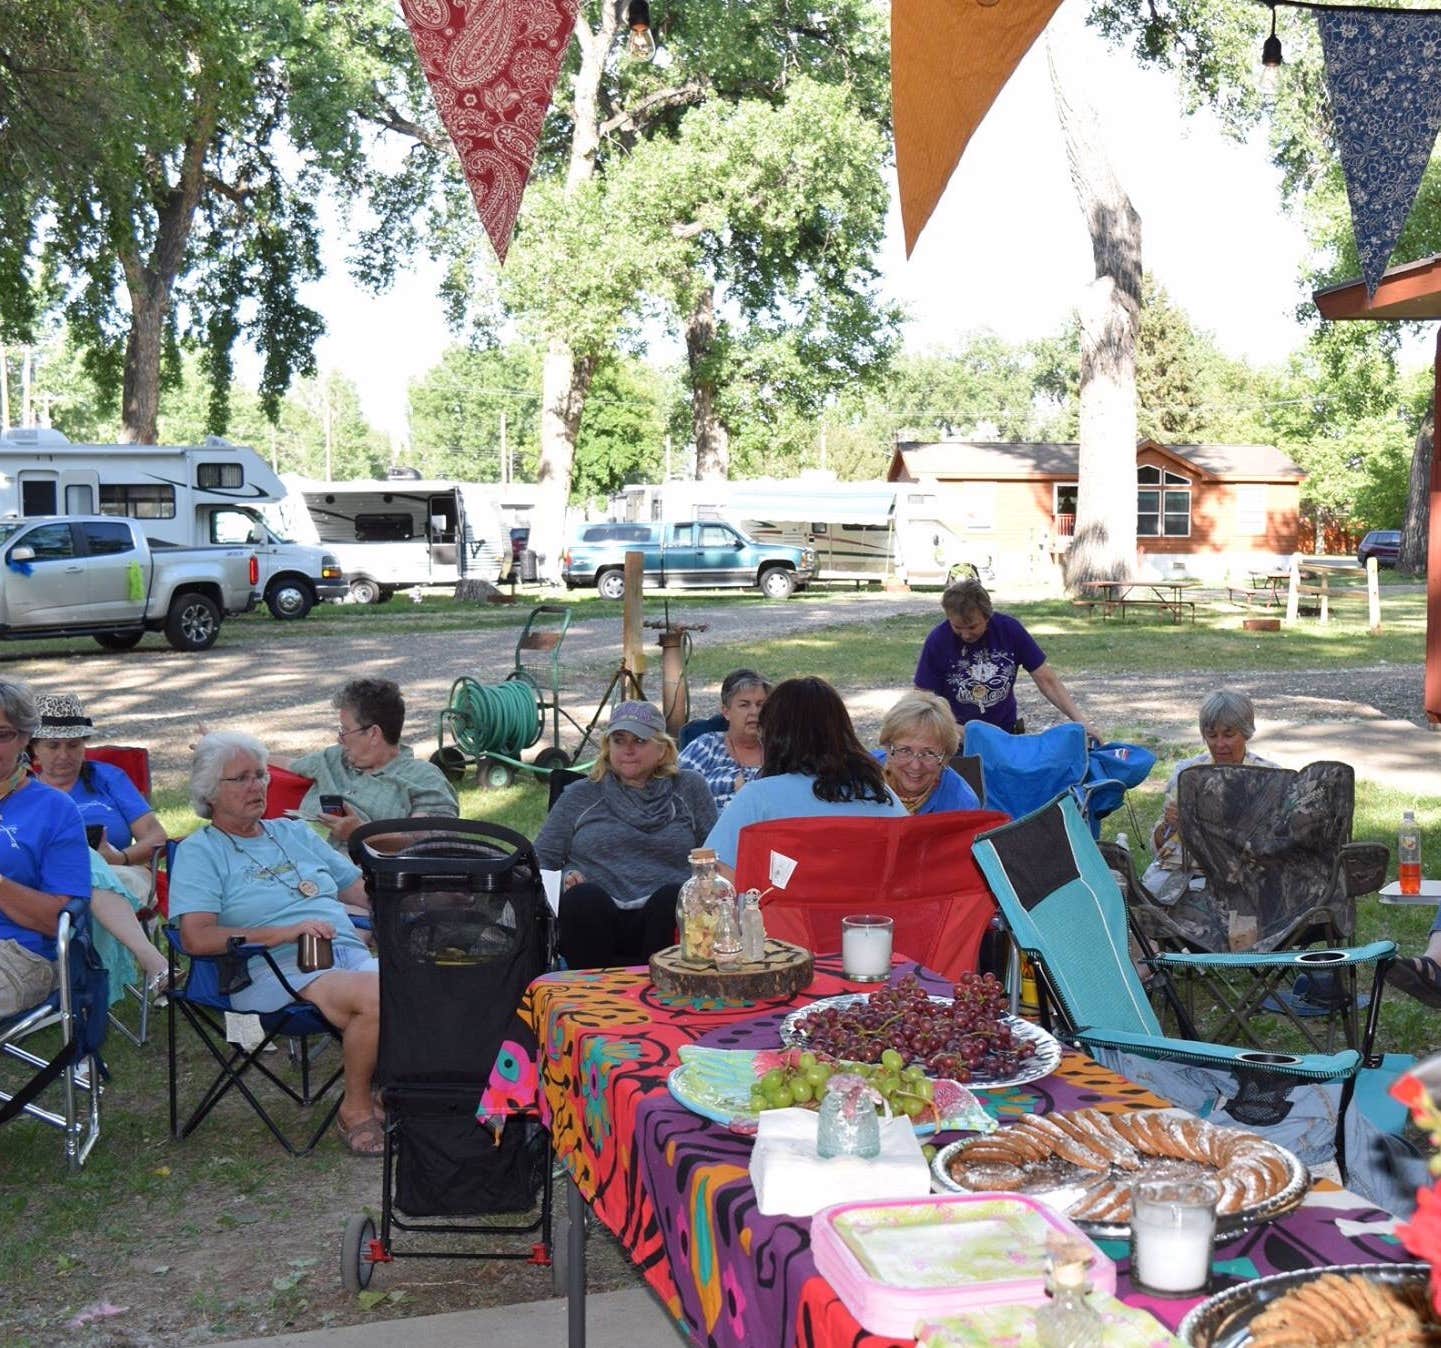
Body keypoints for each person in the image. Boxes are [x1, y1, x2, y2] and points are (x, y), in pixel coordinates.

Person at [169, 732, 383, 1155]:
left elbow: (359, 892)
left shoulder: (293, 833)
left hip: (345, 953)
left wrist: (411, 894)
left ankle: (394, 1094)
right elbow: (195, 936)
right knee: (378, 995)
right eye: (242, 778)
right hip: (272, 966)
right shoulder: (201, 852)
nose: (258, 786)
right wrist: (282, 934)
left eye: (262, 775)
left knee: (428, 984)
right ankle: (355, 1109)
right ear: (211, 793)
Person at [535, 702, 716, 969]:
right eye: (619, 741)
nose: (628, 750)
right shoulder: (581, 795)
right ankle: (594, 999)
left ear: (662, 748)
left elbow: (716, 854)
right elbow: (540, 859)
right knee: (582, 900)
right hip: (596, 916)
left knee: (674, 897)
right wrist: (564, 879)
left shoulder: (689, 787)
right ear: (609, 748)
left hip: (668, 919)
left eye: (639, 740)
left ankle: (659, 996)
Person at [28, 692, 174, 1000]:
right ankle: (153, 962)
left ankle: (78, 985)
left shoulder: (108, 778)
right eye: (53, 746)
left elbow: (156, 836)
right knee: (79, 859)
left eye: (74, 745)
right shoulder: (24, 791)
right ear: (34, 749)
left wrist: (120, 856)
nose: (64, 755)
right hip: (49, 886)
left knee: (84, 865)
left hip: (124, 875)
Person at [706, 677, 907, 876]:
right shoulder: (881, 795)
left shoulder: (758, 799)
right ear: (843, 732)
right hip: (870, 908)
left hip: (781, 908)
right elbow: (911, 872)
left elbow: (710, 882)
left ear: (774, 737)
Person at [270, 678, 458, 849]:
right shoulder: (334, 758)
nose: (340, 739)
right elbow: (287, 764)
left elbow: (432, 838)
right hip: (287, 862)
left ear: (373, 734)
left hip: (356, 878)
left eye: (345, 730)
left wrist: (362, 834)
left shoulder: (422, 777)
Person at [0, 680, 92, 1018]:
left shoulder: (55, 809)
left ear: (26, 738)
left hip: (21, 953)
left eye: (2, 735)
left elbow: (59, 920)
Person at [914, 579, 1100, 742]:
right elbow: (922, 699)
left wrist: (1081, 722)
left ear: (987, 616)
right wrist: (953, 730)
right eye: (957, 627)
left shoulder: (1009, 631)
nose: (965, 634)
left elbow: (1046, 680)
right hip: (955, 738)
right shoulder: (938, 640)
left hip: (1004, 737)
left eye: (972, 626)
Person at [1140, 690, 1276, 907]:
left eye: (1229, 735)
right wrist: (1168, 825)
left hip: (1247, 877)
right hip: (1185, 871)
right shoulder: (1187, 773)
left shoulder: (1270, 777)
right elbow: (1159, 848)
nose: (1219, 744)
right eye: (1212, 735)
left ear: (1246, 732)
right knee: (1141, 914)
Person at [875, 690, 981, 815]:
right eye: (905, 750)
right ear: (887, 747)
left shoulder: (962, 805)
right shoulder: (859, 776)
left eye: (929, 753)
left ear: (944, 757)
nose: (915, 766)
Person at [678, 668, 770, 810]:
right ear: (726, 712)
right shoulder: (707, 746)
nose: (755, 712)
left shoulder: (780, 749)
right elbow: (672, 794)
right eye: (744, 705)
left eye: (760, 704)